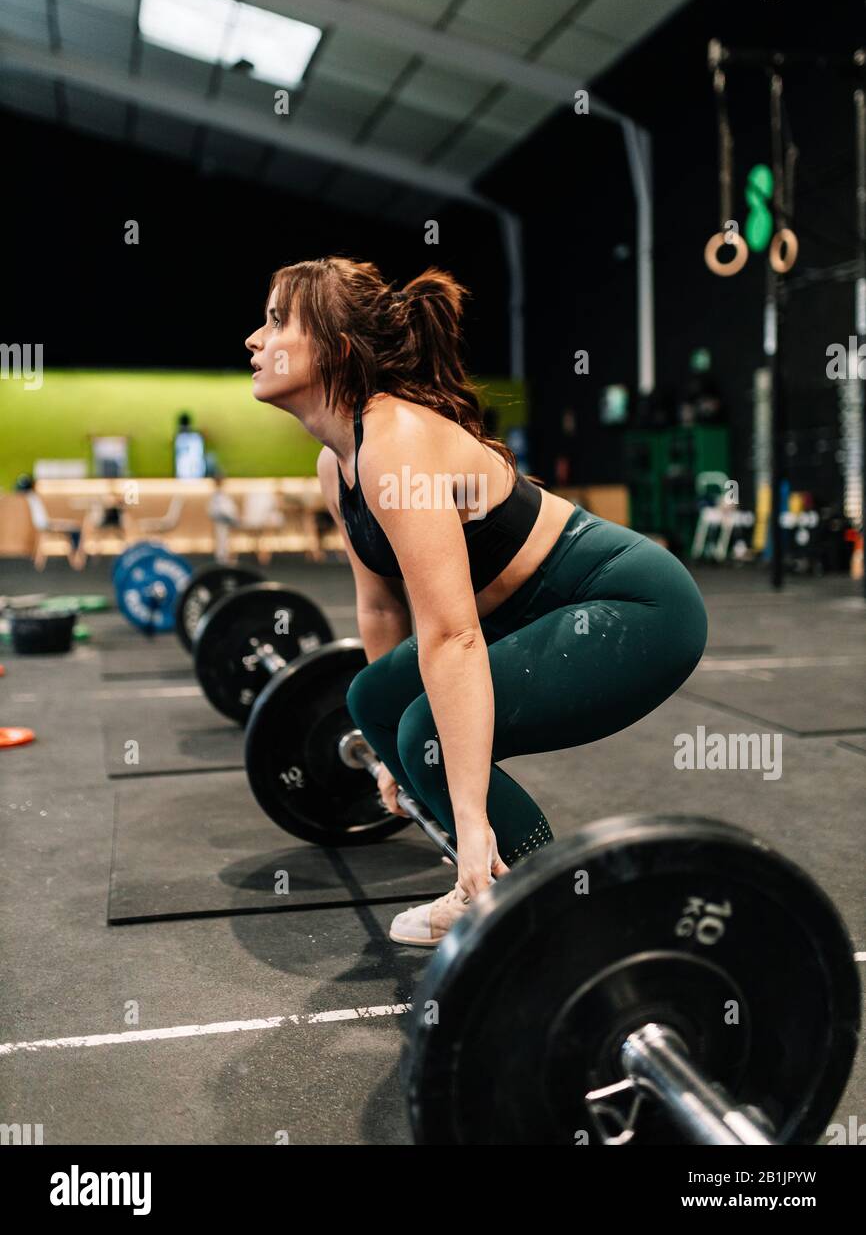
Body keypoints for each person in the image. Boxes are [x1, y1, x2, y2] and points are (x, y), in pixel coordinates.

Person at [245, 257, 707, 946]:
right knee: (373, 701)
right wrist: (387, 756)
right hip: (530, 609)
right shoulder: (335, 462)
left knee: (424, 732)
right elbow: (380, 611)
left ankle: (540, 899)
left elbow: (454, 638)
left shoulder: (394, 442)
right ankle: (502, 884)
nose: (254, 339)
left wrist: (465, 816)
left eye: (278, 321)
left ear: (337, 350)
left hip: (634, 605)